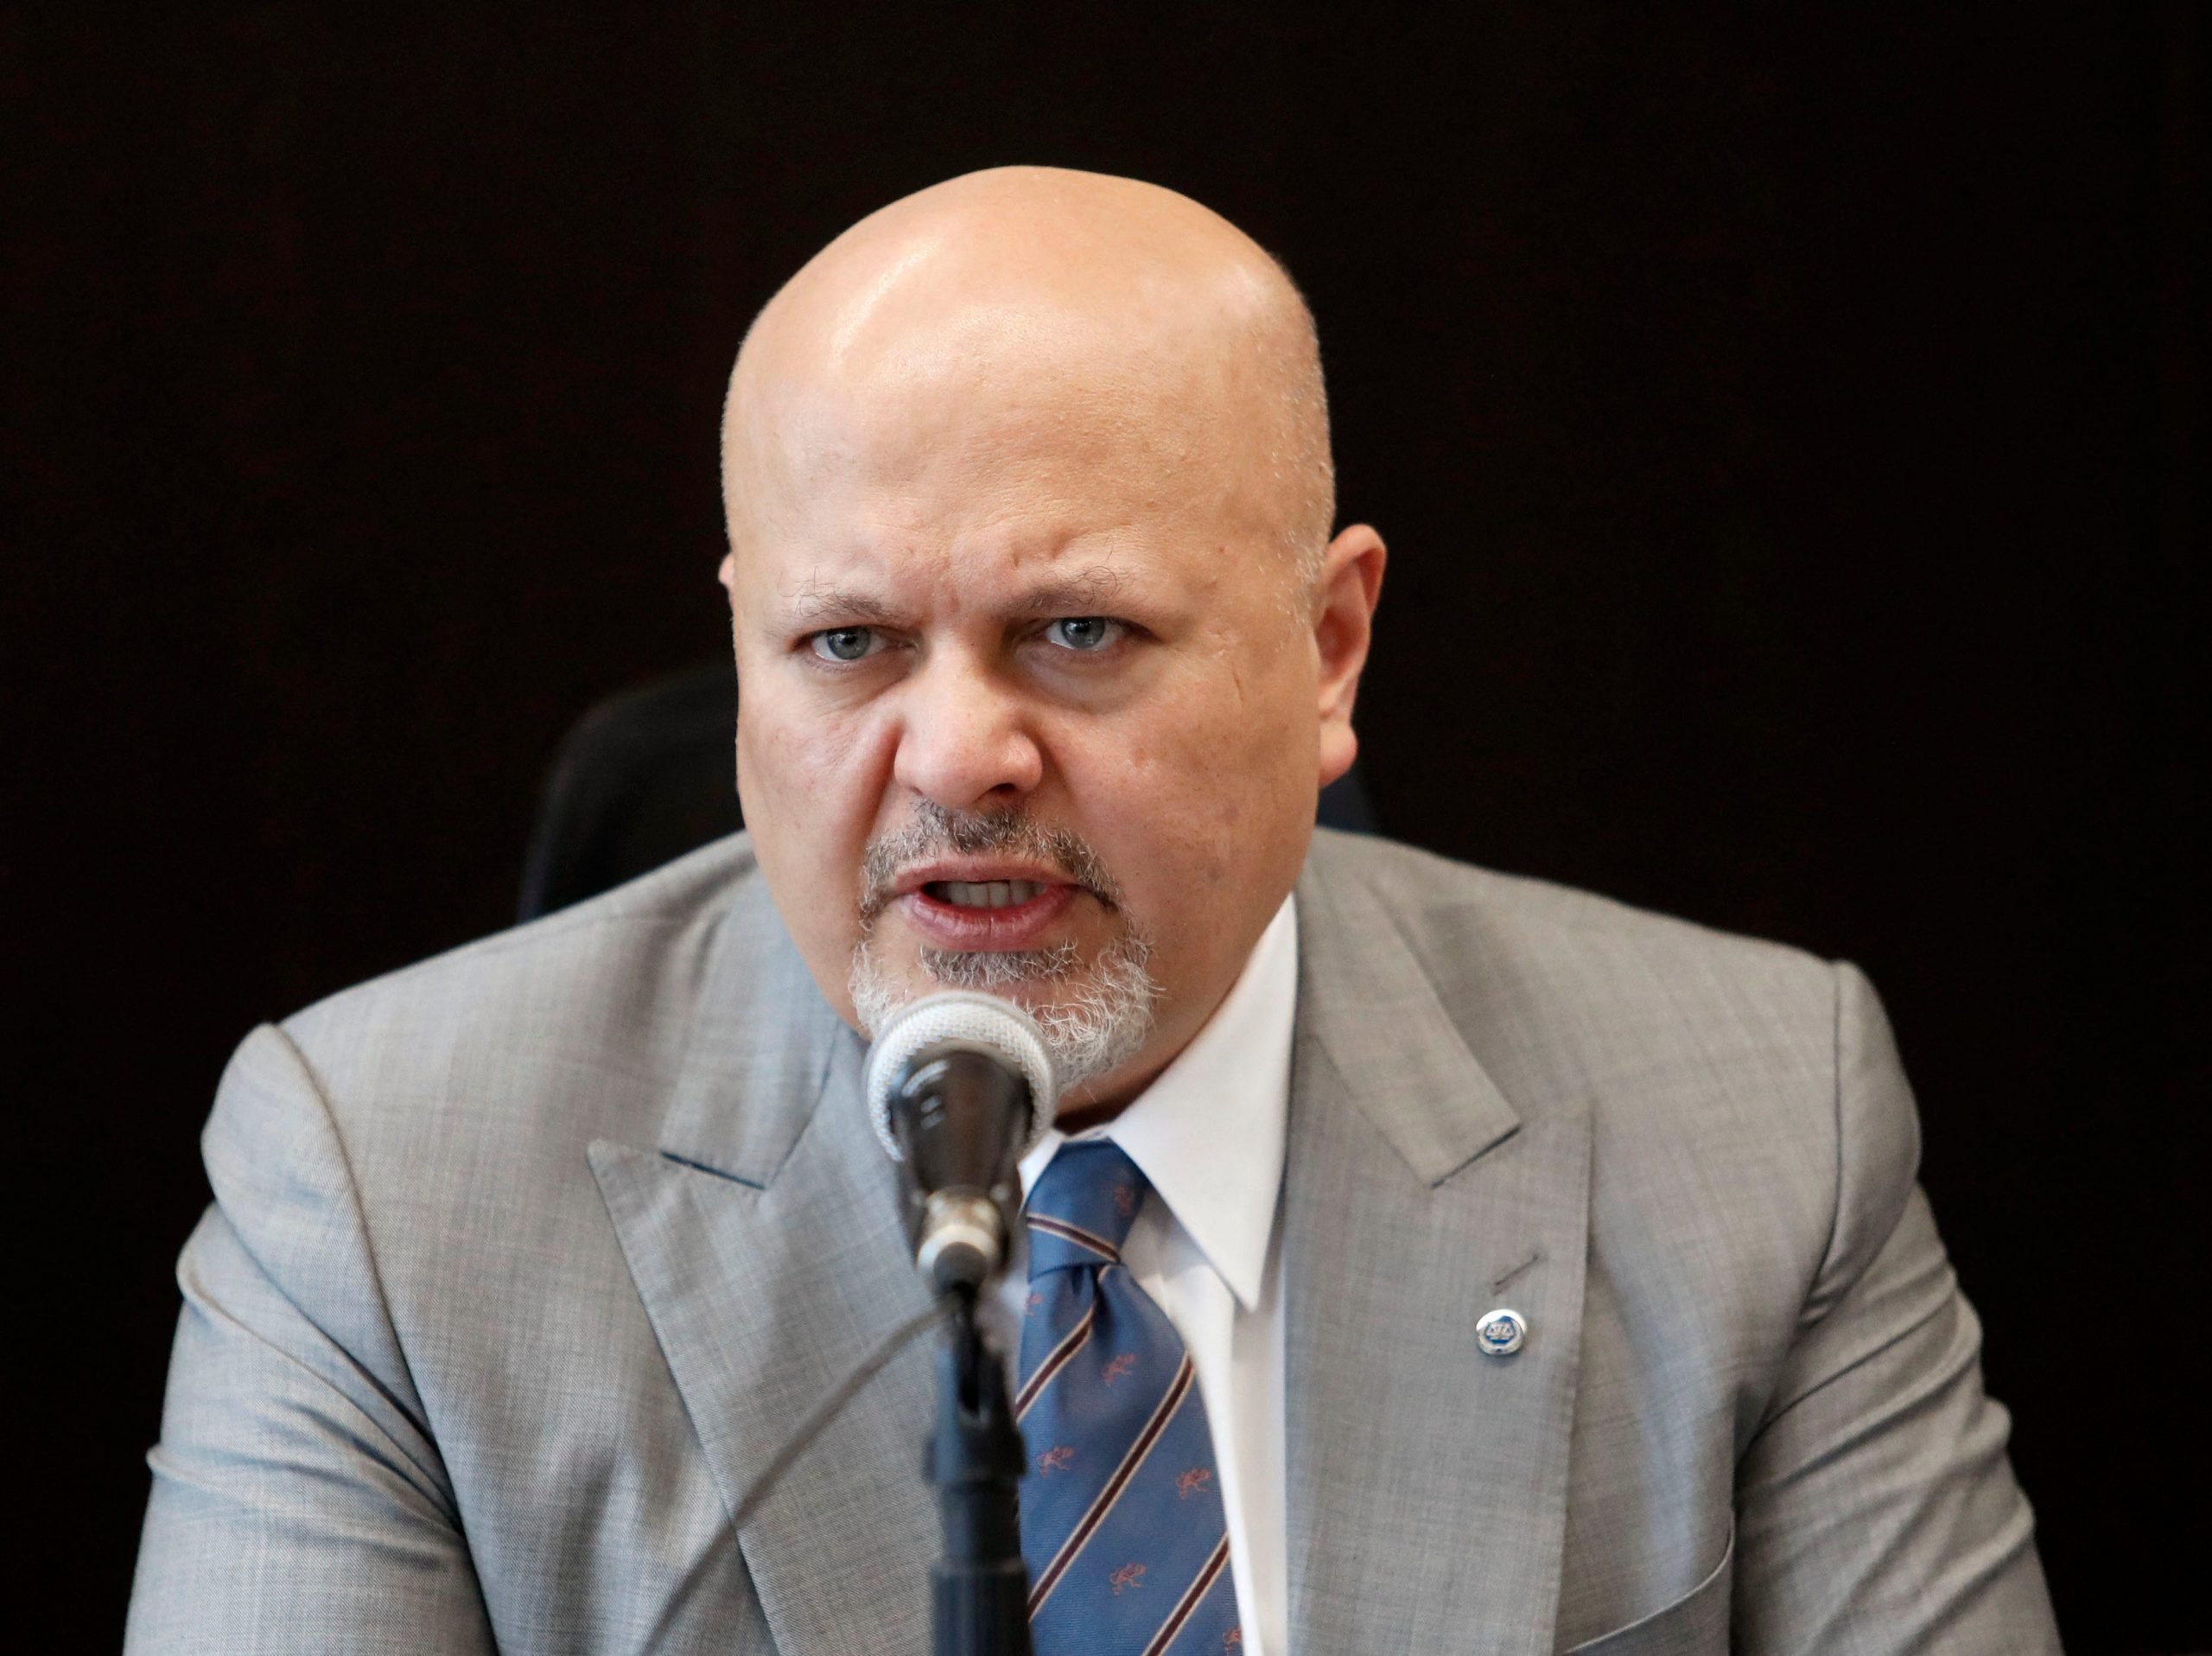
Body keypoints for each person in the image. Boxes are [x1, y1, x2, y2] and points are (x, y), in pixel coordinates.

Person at [126, 167, 2061, 1654]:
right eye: (844, 642)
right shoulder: (375, 1183)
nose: (957, 753)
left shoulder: (1753, 1124)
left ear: (1325, 644)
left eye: (1074, 631)